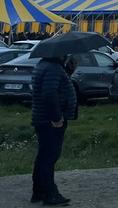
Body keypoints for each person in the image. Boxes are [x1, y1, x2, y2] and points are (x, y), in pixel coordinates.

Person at [30, 55, 77, 206]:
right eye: (65, 53)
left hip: (42, 118)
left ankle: (39, 192)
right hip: (50, 120)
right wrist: (57, 117)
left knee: (43, 156)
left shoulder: (44, 65)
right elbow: (50, 94)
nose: (67, 55)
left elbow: (55, 87)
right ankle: (50, 194)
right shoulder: (53, 68)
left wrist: (68, 71)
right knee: (49, 158)